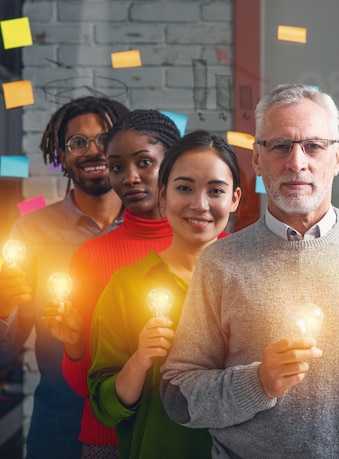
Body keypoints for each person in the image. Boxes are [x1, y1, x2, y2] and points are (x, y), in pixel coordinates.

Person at [160, 83, 339, 457]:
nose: (297, 162)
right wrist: (259, 382)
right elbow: (178, 396)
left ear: (336, 158)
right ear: (257, 161)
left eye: (313, 146)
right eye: (280, 146)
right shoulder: (221, 261)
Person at [88, 131, 240, 458]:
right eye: (184, 188)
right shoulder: (127, 286)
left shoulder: (255, 281)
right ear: (162, 195)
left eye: (215, 191)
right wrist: (141, 360)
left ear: (235, 199)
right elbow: (106, 407)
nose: (200, 205)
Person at [40, 109, 181, 457]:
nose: (130, 177)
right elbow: (84, 386)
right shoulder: (91, 256)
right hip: (109, 440)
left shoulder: (216, 247)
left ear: (173, 163)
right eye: (117, 167)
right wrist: (74, 345)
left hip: (189, 438)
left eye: (144, 163)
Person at [0, 96, 129, 459]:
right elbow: (4, 353)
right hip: (61, 431)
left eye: (104, 139)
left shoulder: (157, 227)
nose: (93, 151)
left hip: (139, 427)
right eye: (78, 142)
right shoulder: (31, 232)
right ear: (60, 153)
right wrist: (3, 306)